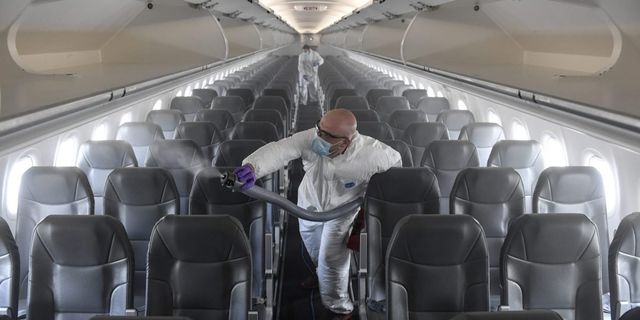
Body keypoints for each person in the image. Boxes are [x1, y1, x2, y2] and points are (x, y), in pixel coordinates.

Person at [234, 109, 402, 319]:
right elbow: (280, 150)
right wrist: (252, 166)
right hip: (308, 206)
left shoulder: (374, 154)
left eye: (325, 136)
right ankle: (320, 273)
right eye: (318, 129)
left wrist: (370, 204)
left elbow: (397, 169)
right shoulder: (312, 137)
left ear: (346, 141)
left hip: (342, 214)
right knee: (313, 248)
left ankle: (341, 308)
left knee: (331, 261)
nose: (318, 137)